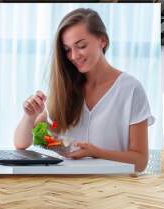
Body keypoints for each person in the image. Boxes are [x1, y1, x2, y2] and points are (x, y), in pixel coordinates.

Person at [13, 8, 154, 172]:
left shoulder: (131, 89)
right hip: (67, 188)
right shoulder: (64, 89)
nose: (73, 56)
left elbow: (140, 161)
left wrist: (96, 152)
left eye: (81, 46)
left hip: (114, 188)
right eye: (67, 49)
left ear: (102, 41)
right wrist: (29, 116)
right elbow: (22, 143)